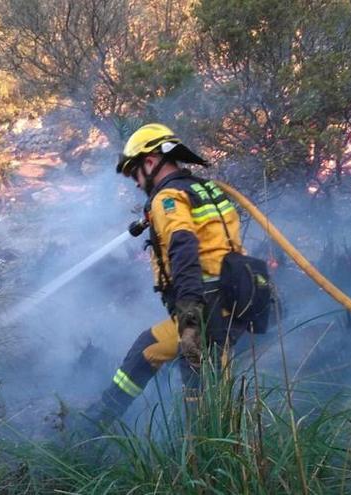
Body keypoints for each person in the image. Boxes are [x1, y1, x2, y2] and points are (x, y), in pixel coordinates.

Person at [80, 123, 270, 428]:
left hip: (205, 310)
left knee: (202, 395)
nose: (136, 182)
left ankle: (210, 448)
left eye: (135, 173)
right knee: (150, 351)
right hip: (227, 301)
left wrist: (189, 312)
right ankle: (93, 425)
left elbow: (183, 247)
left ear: (150, 162)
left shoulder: (168, 197)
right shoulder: (204, 189)